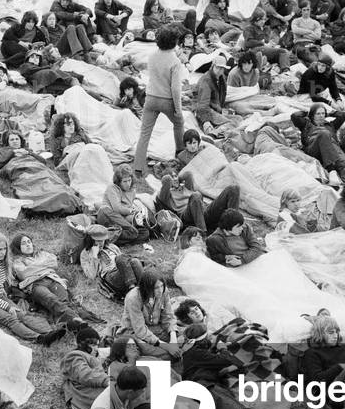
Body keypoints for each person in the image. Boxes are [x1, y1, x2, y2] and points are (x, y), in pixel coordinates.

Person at [0, 232, 66, 345]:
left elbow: (3, 283)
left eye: (4, 249)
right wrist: (8, 306)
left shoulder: (2, 261)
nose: (3, 253)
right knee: (10, 318)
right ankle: (39, 339)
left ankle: (50, 333)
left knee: (21, 313)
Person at [133, 24, 185, 176]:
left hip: (150, 97)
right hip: (167, 99)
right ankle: (180, 156)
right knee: (179, 123)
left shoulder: (152, 55)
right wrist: (178, 109)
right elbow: (175, 89)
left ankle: (138, 167)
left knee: (145, 133)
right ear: (174, 42)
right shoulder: (175, 61)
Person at [155, 161, 241, 233]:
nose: (174, 178)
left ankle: (233, 225)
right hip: (187, 217)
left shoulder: (186, 187)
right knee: (196, 195)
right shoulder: (165, 194)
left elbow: (188, 174)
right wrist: (171, 178)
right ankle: (203, 233)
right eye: (172, 177)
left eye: (175, 176)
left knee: (234, 188)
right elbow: (166, 180)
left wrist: (178, 178)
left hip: (204, 212)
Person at [119, 270, 178, 360]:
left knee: (182, 339)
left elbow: (168, 316)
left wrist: (173, 340)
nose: (160, 290)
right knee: (167, 354)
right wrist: (166, 346)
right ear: (146, 288)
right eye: (156, 288)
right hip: (134, 332)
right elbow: (140, 329)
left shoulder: (164, 291)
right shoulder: (133, 298)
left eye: (162, 286)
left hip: (155, 328)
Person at [97, 164, 150, 245]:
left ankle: (110, 239)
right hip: (107, 213)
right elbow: (117, 208)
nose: (128, 183)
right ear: (119, 181)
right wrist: (131, 211)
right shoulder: (112, 188)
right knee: (133, 232)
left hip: (119, 218)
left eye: (129, 180)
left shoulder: (132, 191)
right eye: (124, 181)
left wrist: (136, 214)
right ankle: (104, 237)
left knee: (145, 233)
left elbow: (127, 208)